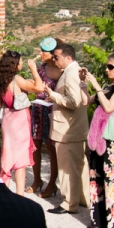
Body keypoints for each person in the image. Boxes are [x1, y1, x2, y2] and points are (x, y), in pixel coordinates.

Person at [45, 43, 90, 215]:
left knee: (67, 168)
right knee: (79, 166)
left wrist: (53, 95)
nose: (54, 60)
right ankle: (83, 198)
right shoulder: (74, 71)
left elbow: (74, 102)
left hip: (67, 130)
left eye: (56, 57)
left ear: (68, 57)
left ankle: (69, 203)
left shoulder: (71, 74)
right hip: (76, 128)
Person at [0, 51, 45, 195]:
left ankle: (3, 193)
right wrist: (34, 71)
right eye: (21, 61)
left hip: (7, 120)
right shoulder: (17, 79)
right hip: (19, 121)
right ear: (15, 65)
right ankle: (19, 196)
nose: (22, 63)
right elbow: (39, 88)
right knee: (20, 161)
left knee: (8, 155)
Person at [83, 53, 114, 228]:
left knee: (110, 180)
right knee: (96, 177)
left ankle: (110, 221)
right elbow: (87, 101)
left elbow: (109, 107)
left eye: (111, 67)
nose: (107, 70)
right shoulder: (107, 87)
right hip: (98, 139)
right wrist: (83, 84)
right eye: (107, 66)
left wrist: (96, 85)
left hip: (111, 140)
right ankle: (98, 219)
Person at [30, 37, 62, 197]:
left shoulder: (60, 70)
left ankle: (52, 184)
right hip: (38, 109)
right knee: (35, 146)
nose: (41, 53)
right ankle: (37, 180)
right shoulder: (42, 67)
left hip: (51, 111)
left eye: (44, 51)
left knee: (51, 148)